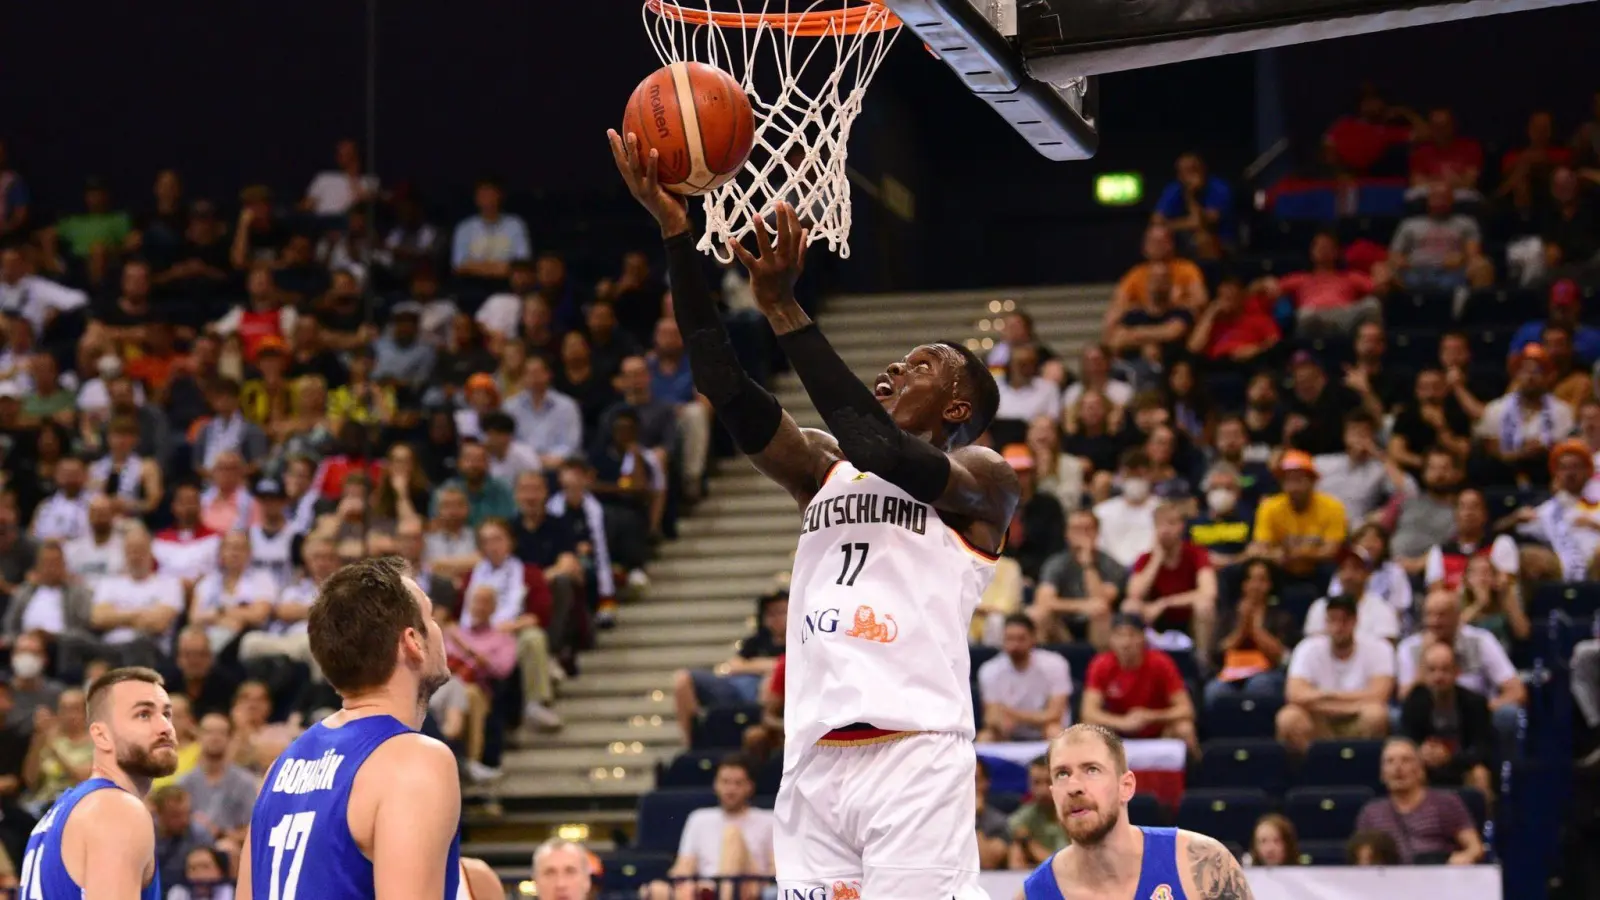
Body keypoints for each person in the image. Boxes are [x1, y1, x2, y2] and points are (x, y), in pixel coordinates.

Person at [611, 131, 1020, 900]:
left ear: (959, 406)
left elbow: (883, 445)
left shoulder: (984, 479)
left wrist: (784, 305)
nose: (897, 366)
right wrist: (676, 234)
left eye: (923, 364)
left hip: (913, 751)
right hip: (814, 755)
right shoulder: (823, 467)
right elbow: (722, 386)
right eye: (897, 361)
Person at [235, 556, 461, 900]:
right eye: (430, 616)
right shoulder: (414, 760)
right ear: (413, 641)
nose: (439, 628)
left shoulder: (280, 769)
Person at [1021, 724, 1254, 900]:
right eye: (1062, 774)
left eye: (1091, 770)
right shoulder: (1034, 894)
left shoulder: (1201, 862)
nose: (1074, 787)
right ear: (1053, 794)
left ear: (1126, 786)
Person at [15, 667, 180, 900]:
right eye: (143, 714)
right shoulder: (117, 810)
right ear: (101, 735)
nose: (165, 727)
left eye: (167, 714)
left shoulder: (61, 813)